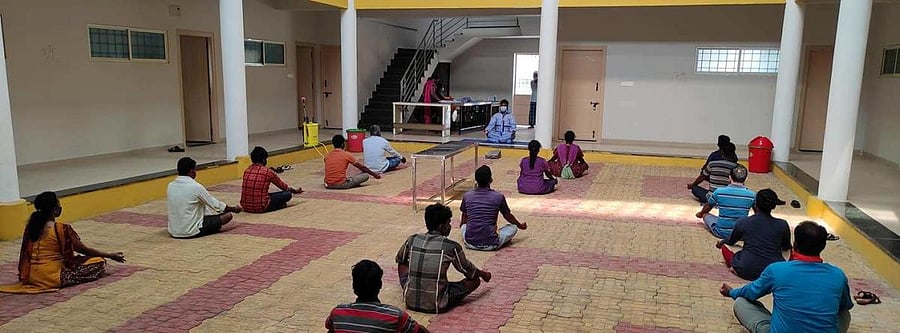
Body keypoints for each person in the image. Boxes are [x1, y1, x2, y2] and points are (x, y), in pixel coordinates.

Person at [720, 221, 853, 333]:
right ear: (822, 247)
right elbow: (845, 305)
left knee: (741, 302)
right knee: (844, 313)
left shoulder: (777, 270)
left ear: (795, 245)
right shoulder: (838, 275)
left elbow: (750, 292)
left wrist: (731, 292)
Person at [0, 192, 126, 294]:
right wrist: (110, 255)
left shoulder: (31, 227)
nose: (61, 207)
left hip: (30, 276)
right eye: (58, 204)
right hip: (52, 278)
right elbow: (83, 250)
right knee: (98, 262)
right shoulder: (61, 228)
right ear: (55, 210)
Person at [396, 204, 492, 314]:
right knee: (475, 281)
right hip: (437, 303)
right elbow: (469, 271)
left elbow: (400, 259)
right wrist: (484, 274)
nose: (450, 226)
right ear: (442, 227)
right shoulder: (451, 246)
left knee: (402, 263)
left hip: (410, 300)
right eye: (449, 223)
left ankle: (414, 287)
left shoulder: (412, 239)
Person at [326, 260, 428, 333]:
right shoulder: (395, 315)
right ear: (380, 285)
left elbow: (330, 328)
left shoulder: (337, 313)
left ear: (353, 286)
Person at [716, 189, 792, 281]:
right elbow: (786, 247)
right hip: (773, 272)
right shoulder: (782, 224)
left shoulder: (743, 222)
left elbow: (731, 241)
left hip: (746, 269)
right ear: (773, 206)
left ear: (755, 205)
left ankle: (735, 268)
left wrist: (722, 241)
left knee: (725, 248)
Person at [167, 157, 242, 238]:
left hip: (173, 230)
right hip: (191, 231)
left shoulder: (170, 186)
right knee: (227, 216)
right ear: (192, 171)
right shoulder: (196, 187)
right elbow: (216, 205)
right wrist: (234, 209)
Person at [460, 165, 527, 250]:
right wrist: (520, 225)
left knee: (464, 226)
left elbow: (464, 217)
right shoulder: (498, 196)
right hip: (491, 244)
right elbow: (508, 216)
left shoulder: (467, 196)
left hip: (470, 243)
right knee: (513, 227)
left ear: (476, 180)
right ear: (490, 180)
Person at [696, 165, 755, 239]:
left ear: (729, 178)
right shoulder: (752, 195)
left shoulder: (719, 192)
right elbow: (758, 214)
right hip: (741, 235)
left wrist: (701, 214)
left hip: (721, 232)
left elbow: (708, 206)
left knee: (706, 215)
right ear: (746, 179)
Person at [240, 146, 303, 213]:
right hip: (261, 206)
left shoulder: (247, 170)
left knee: (264, 194)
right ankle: (278, 206)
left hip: (246, 206)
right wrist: (295, 191)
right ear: (263, 160)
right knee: (287, 194)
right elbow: (283, 187)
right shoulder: (267, 172)